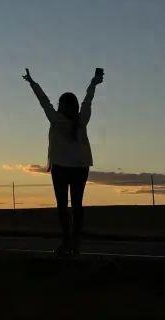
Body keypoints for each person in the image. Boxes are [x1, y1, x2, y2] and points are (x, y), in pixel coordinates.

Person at [22, 67, 103, 256]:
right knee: (76, 205)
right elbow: (88, 100)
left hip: (62, 168)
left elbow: (44, 102)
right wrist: (93, 82)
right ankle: (74, 242)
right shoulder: (81, 120)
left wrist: (32, 83)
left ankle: (68, 241)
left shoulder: (57, 119)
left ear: (62, 105)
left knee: (63, 206)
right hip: (79, 167)